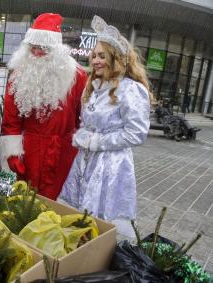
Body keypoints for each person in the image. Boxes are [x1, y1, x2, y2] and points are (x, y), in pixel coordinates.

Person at [58, 15, 152, 237]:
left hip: (111, 167)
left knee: (102, 222)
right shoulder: (94, 86)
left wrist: (98, 141)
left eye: (102, 56)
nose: (95, 61)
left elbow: (137, 133)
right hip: (85, 162)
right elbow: (89, 121)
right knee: (76, 217)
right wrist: (83, 136)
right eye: (93, 56)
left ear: (115, 58)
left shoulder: (131, 89)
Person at [0, 13, 88, 200]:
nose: (38, 52)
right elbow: (11, 118)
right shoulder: (18, 74)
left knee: (57, 201)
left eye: (44, 48)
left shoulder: (77, 76)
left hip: (63, 151)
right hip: (28, 150)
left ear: (56, 49)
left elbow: (83, 118)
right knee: (25, 200)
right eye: (33, 47)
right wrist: (12, 153)